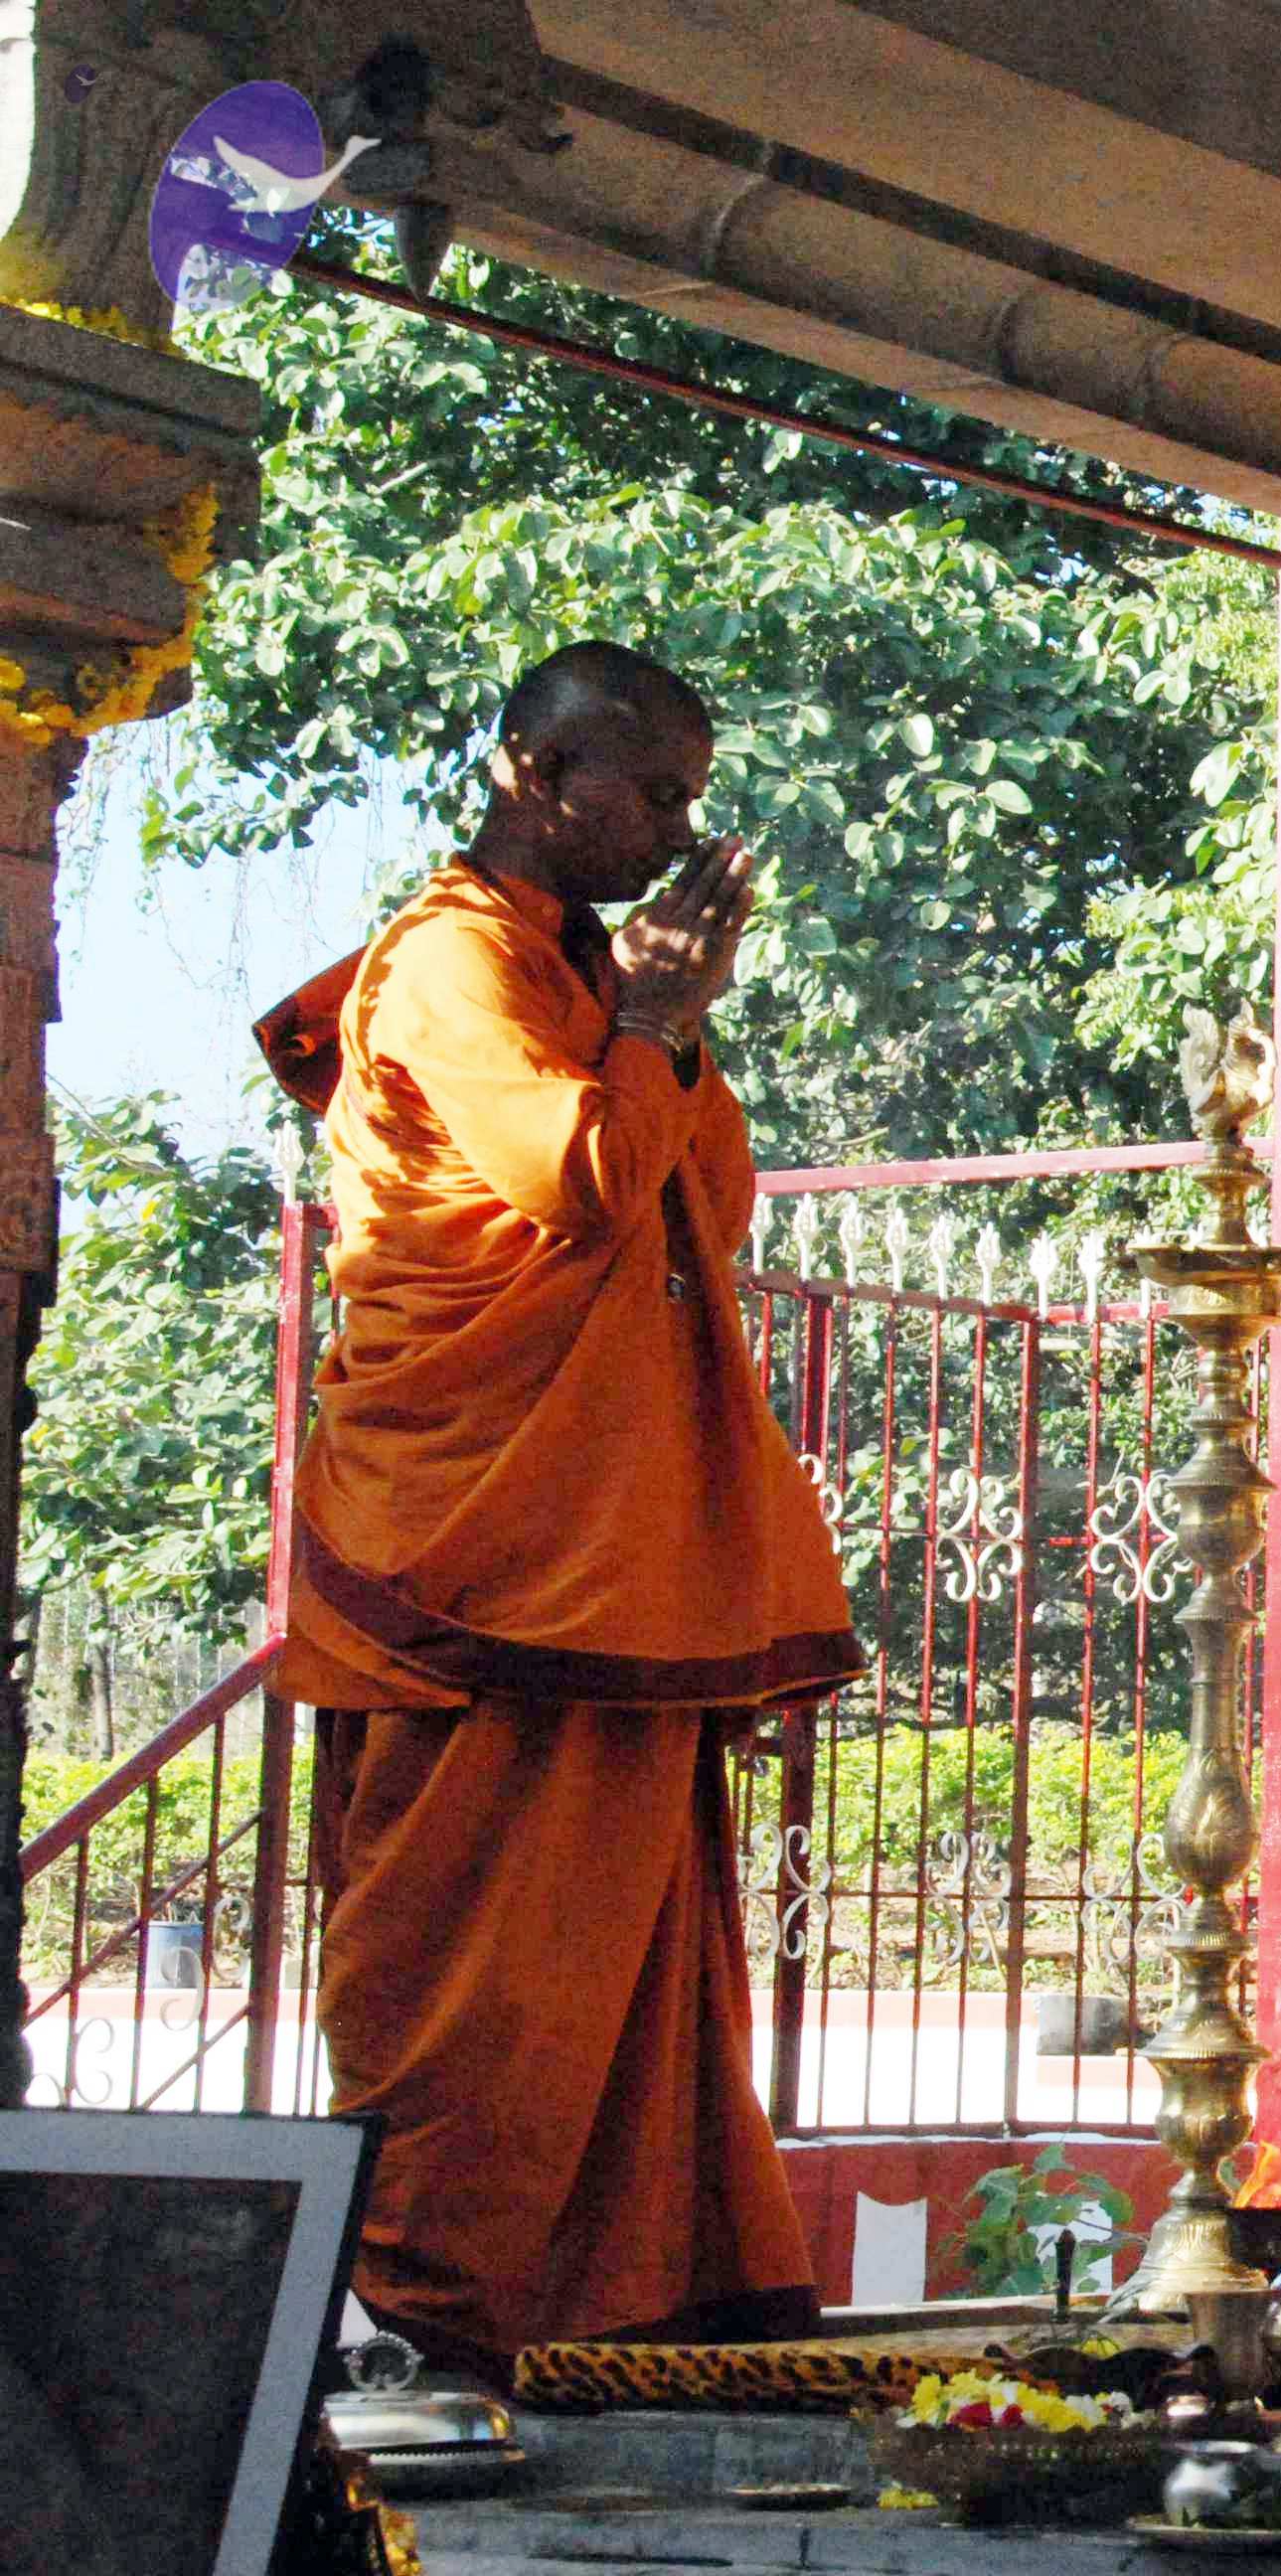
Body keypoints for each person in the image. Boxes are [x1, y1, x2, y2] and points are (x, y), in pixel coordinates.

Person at [253, 641, 860, 2383]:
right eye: (651, 790)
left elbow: (700, 1200)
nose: (676, 829)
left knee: (626, 1970)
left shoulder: (588, 975)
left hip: (603, 1551)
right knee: (479, 1988)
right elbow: (577, 1182)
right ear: (536, 771)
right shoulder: (454, 959)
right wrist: (652, 1025)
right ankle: (431, 2327)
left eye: (689, 796)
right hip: (476, 1540)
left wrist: (666, 1024)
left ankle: (627, 2319)